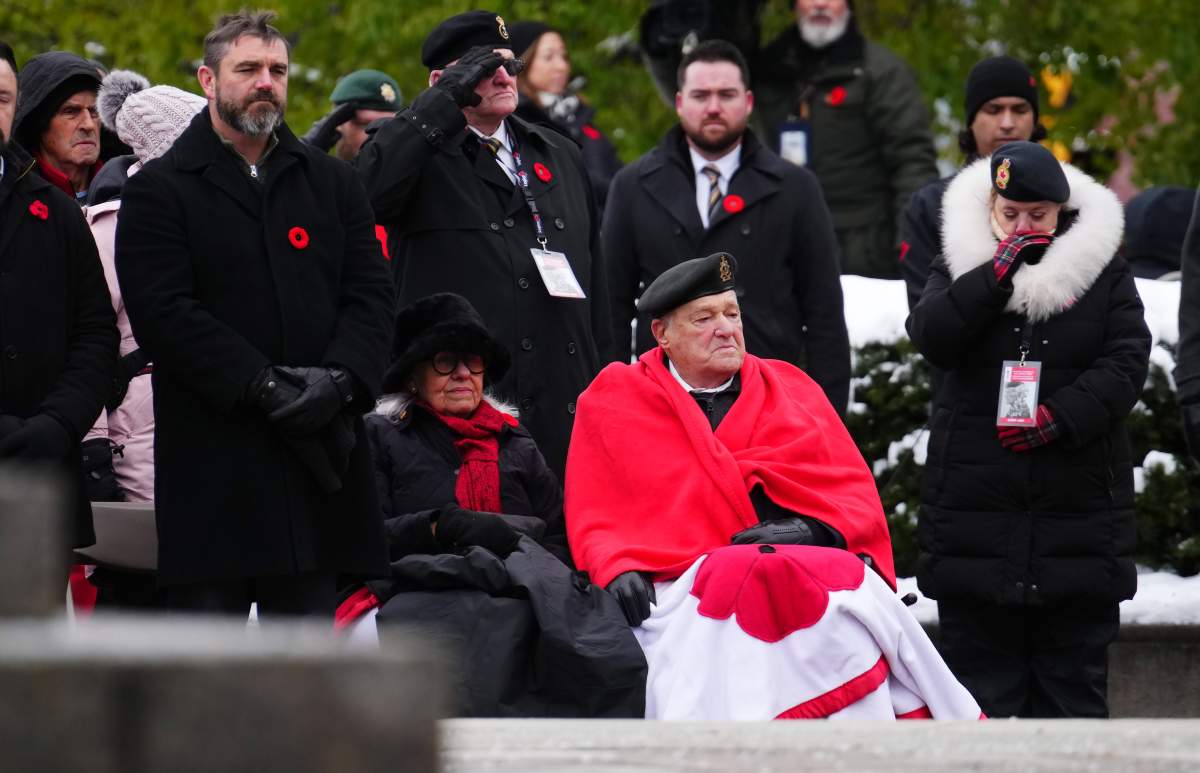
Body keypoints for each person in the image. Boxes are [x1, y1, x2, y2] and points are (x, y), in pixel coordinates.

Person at [566, 252, 980, 720]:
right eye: (704, 318)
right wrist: (617, 567)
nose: (725, 328)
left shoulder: (792, 388)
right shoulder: (616, 398)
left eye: (732, 314)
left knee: (850, 624)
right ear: (662, 334)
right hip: (682, 596)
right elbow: (594, 510)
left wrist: (815, 530)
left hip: (805, 581)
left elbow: (851, 498)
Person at [115, 11, 394, 617]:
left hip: (319, 460)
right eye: (248, 69)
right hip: (217, 462)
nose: (266, 82)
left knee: (303, 671)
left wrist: (341, 380)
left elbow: (371, 296)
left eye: (277, 70)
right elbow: (164, 312)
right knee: (208, 674)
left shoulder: (334, 184)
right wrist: (263, 384)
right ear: (208, 80)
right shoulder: (160, 189)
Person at [906, 141, 1151, 718]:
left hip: (1078, 529)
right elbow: (933, 336)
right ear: (991, 207)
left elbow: (1127, 360)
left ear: (1061, 212)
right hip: (976, 531)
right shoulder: (961, 261)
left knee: (1074, 707)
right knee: (978, 709)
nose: (1023, 228)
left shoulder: (1102, 270)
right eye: (1010, 214)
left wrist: (1063, 416)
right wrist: (992, 277)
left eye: (1037, 216)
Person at [337, 293, 646, 717]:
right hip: (421, 587)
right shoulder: (381, 435)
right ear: (413, 376)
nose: (463, 373)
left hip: (519, 587)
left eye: (473, 362)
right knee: (460, 637)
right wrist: (442, 526)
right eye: (445, 361)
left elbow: (559, 533)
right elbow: (364, 535)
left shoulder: (515, 441)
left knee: (603, 648)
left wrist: (522, 558)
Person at [355, 10, 610, 480]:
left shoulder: (558, 152)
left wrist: (609, 391)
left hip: (563, 410)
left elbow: (597, 290)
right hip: (464, 411)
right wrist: (442, 104)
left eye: (509, 65)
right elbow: (364, 196)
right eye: (480, 67)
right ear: (440, 81)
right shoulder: (414, 152)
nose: (501, 76)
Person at [603, 39, 849, 412]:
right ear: (680, 102)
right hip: (661, 403)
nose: (714, 107)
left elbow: (825, 315)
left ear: (748, 102)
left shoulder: (796, 187)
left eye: (726, 94)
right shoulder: (632, 185)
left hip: (768, 403)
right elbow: (612, 311)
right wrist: (614, 407)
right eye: (701, 95)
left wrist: (825, 421)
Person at [0, 41, 118, 556]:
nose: (88, 124)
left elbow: (95, 331)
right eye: (70, 111)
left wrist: (58, 424)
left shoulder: (58, 211)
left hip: (42, 473)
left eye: (1, 97)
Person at [752, 0, 937, 278]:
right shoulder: (765, 73)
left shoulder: (883, 73)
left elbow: (913, 164)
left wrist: (911, 248)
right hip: (781, 254)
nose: (820, 4)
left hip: (866, 260)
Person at [901, 55, 1044, 310]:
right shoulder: (931, 205)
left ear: (1035, 120)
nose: (1008, 123)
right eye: (994, 110)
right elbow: (924, 317)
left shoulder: (1068, 198)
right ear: (971, 120)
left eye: (1020, 110)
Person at [509, 21, 622, 212]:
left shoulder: (580, 117)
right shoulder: (517, 122)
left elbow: (619, 172)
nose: (561, 66)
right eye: (548, 57)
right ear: (523, 63)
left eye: (564, 56)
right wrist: (620, 192)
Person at [12, 51, 104, 203]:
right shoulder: (12, 202)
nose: (88, 125)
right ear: (39, 124)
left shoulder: (130, 190)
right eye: (71, 112)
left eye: (94, 111)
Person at [301, 68, 402, 162]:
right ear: (337, 126)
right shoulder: (321, 179)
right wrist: (304, 156)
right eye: (366, 125)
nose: (379, 134)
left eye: (388, 125)